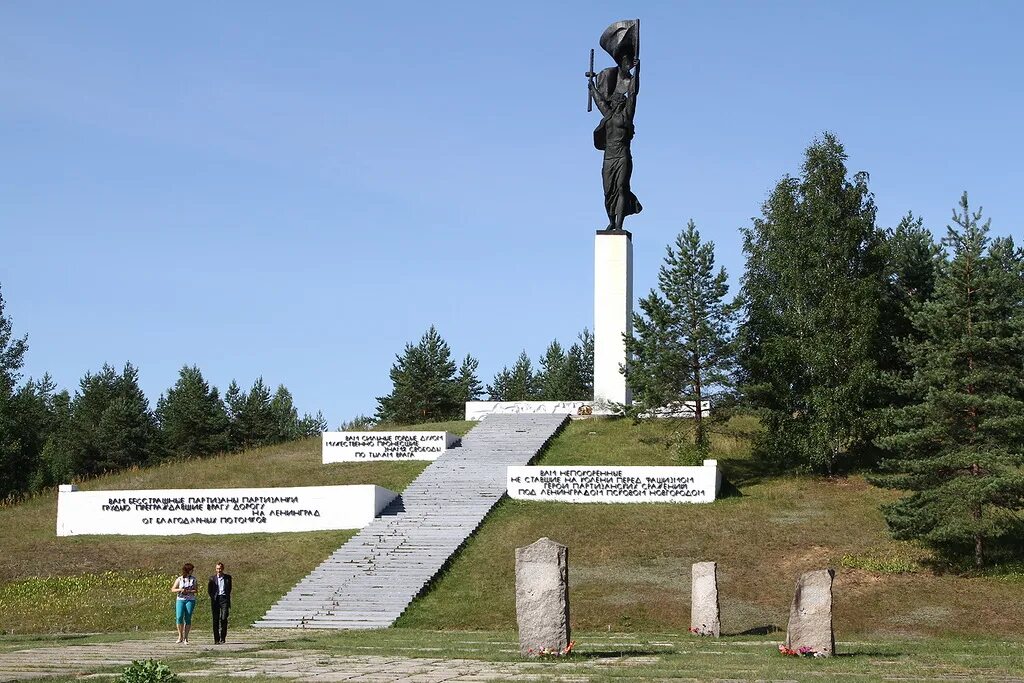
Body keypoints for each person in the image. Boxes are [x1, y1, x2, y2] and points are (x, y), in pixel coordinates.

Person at [170, 563, 198, 644]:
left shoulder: (193, 579)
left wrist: (189, 591)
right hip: (180, 599)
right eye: (191, 570)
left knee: (188, 617)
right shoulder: (179, 579)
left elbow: (196, 590)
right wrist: (180, 590)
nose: (192, 571)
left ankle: (186, 637)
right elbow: (173, 589)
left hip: (190, 600)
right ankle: (180, 636)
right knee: (179, 617)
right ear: (187, 570)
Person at [207, 561, 233, 644]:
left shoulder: (228, 578)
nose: (219, 570)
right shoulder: (212, 578)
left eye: (220, 569)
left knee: (224, 618)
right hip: (215, 599)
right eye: (217, 569)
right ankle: (216, 639)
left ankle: (223, 637)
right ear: (215, 569)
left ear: (223, 569)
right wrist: (213, 597)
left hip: (224, 599)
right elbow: (209, 590)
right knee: (215, 619)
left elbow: (229, 589)